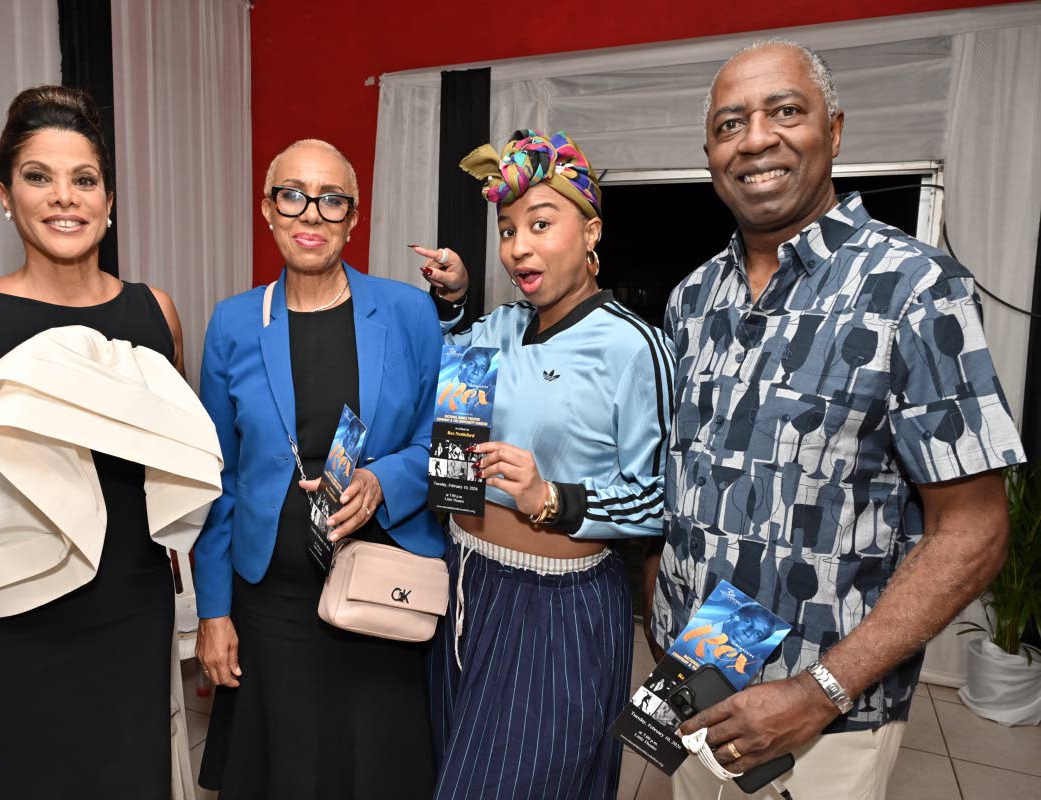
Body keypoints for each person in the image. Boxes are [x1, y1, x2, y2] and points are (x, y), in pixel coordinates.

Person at [654, 39, 1022, 800]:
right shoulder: (693, 301)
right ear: (710, 152)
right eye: (730, 124)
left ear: (835, 129)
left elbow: (975, 530)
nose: (756, 138)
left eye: (785, 111)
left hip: (822, 722)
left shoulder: (915, 289)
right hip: (697, 686)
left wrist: (821, 689)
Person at [0, 86, 188, 798]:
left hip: (132, 624)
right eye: (38, 176)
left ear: (110, 199)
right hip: (14, 634)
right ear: (5, 194)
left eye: (84, 180)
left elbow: (173, 476)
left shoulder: (157, 315)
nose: (65, 198)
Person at [414, 129, 673, 800]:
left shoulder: (634, 345)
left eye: (539, 223)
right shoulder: (501, 326)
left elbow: (661, 500)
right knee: (449, 765)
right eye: (506, 229)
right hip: (463, 583)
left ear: (591, 232)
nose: (518, 245)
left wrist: (550, 495)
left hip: (556, 610)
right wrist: (454, 299)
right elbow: (442, 370)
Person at [194, 139, 445, 799]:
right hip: (270, 605)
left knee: (375, 773)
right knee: (284, 773)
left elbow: (441, 439)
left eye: (331, 199)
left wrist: (385, 480)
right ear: (268, 210)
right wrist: (213, 612)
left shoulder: (408, 312)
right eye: (293, 195)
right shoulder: (234, 323)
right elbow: (214, 479)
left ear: (354, 217)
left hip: (380, 595)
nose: (311, 213)